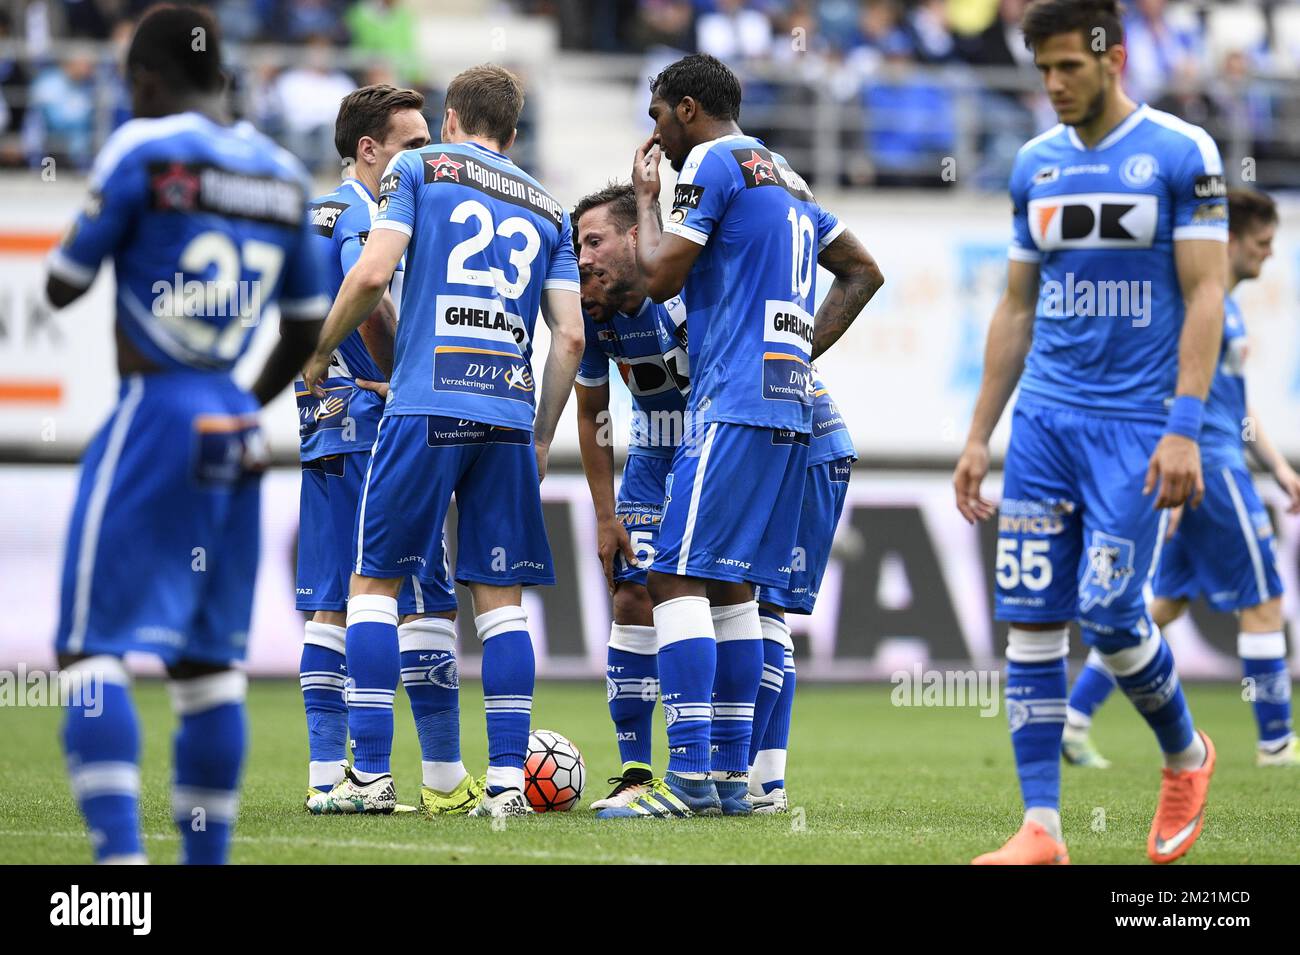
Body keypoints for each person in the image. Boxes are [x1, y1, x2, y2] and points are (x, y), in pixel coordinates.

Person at [46, 4, 327, 863]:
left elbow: (64, 281)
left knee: (92, 648)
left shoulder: (144, 148)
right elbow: (307, 325)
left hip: (155, 408)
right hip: (235, 426)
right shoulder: (282, 174)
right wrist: (242, 397)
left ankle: (121, 866)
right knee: (210, 670)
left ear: (146, 82)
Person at [952, 0, 1228, 865]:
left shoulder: (1183, 154)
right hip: (1043, 422)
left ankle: (1187, 754)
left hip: (1138, 424)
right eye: (1042, 70)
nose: (1054, 84)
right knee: (1031, 623)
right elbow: (1017, 306)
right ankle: (1043, 828)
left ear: (1111, 57)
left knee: (1110, 611)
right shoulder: (1033, 164)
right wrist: (977, 435)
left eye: (1068, 65)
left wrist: (1185, 426)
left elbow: (1209, 293)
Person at [301, 64, 585, 819]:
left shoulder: (418, 168)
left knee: (372, 585)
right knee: (501, 608)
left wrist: (320, 353)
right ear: (513, 134)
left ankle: (365, 777)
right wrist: (543, 432)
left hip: (426, 403)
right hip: (508, 414)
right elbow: (571, 338)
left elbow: (370, 273)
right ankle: (502, 788)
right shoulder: (550, 207)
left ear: (453, 120)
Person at [607, 52, 882, 818]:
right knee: (734, 588)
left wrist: (645, 197)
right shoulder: (788, 175)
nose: (656, 134)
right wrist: (796, 352)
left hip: (733, 405)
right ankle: (733, 779)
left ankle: (689, 776)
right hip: (785, 406)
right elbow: (863, 270)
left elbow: (659, 273)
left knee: (671, 573)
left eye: (659, 116)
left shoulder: (715, 163)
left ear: (688, 108)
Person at [297, 85, 483, 816]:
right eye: (411, 144)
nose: (425, 157)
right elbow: (365, 286)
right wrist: (400, 372)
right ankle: (436, 775)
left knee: (331, 600)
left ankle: (326, 775)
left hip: (324, 422)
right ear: (368, 151)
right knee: (422, 593)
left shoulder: (314, 210)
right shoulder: (366, 213)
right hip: (377, 422)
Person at [1064, 189, 1298, 770]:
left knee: (1161, 606)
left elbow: (1234, 404)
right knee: (1264, 601)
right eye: (1262, 244)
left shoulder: (1224, 306)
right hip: (1210, 467)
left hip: (1211, 459)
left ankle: (1073, 720)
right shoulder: (1192, 304)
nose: (1269, 256)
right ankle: (1276, 743)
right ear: (1232, 241)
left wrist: (1279, 465)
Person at [571, 182, 689, 812]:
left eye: (595, 240)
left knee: (727, 600)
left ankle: (737, 772)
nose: (583, 255)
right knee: (631, 592)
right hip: (652, 450)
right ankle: (637, 773)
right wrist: (605, 513)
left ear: (636, 238)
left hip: (716, 444)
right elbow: (592, 411)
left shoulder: (689, 289)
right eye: (577, 244)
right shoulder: (594, 313)